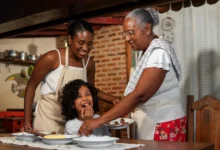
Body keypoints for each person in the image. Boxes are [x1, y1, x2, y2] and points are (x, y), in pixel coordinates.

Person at [79, 8, 186, 142]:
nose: (127, 39)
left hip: (163, 122)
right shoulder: (147, 52)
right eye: (125, 34)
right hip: (154, 121)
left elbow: (140, 95)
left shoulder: (158, 53)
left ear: (147, 28)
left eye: (131, 33)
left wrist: (100, 120)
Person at [24, 20, 119, 134]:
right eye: (81, 42)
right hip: (48, 118)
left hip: (73, 120)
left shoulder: (89, 63)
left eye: (89, 44)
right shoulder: (52, 58)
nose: (85, 48)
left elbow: (91, 90)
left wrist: (113, 99)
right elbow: (31, 87)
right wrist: (26, 121)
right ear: (70, 39)